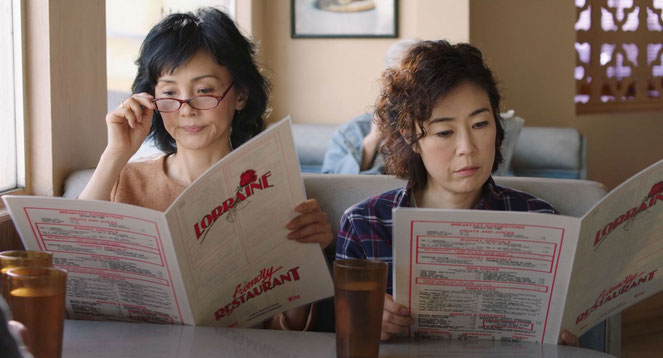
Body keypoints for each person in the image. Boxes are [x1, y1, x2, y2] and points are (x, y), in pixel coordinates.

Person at [79, 7, 332, 331]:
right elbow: (74, 260)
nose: (187, 109)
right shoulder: (125, 180)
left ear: (240, 95)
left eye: (204, 91)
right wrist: (116, 153)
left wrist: (312, 255)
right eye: (169, 92)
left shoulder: (272, 186)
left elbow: (286, 330)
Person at [335, 40, 580, 345]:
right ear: (411, 137)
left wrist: (565, 346)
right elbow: (343, 335)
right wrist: (363, 325)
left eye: (480, 124)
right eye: (445, 132)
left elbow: (565, 332)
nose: (468, 148)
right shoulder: (364, 224)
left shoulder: (541, 220)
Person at [321, 38, 419, 174]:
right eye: (400, 84)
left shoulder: (437, 130)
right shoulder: (350, 132)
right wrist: (372, 140)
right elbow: (330, 186)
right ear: (386, 83)